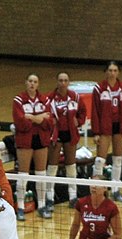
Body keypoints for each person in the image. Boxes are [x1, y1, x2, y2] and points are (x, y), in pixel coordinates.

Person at [91, 61, 122, 203]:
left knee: (118, 159)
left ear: (118, 72)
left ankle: (115, 190)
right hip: (105, 127)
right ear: (106, 72)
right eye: (110, 70)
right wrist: (96, 131)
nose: (112, 73)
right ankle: (96, 190)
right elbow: (95, 111)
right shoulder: (99, 89)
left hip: (119, 126)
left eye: (115, 70)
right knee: (100, 160)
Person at [12, 73, 53, 220]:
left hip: (41, 140)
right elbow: (20, 123)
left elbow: (50, 122)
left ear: (38, 84)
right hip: (25, 140)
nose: (32, 84)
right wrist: (40, 117)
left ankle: (41, 205)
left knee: (41, 174)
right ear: (26, 83)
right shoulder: (18, 100)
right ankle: (21, 207)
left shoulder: (45, 100)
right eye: (30, 81)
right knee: (23, 175)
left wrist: (31, 117)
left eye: (35, 81)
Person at [46, 71, 87, 208]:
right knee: (52, 166)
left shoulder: (75, 97)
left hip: (70, 134)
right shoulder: (50, 98)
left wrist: (79, 121)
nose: (63, 83)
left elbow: (83, 112)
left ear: (68, 82)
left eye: (65, 80)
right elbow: (46, 115)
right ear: (57, 82)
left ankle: (73, 197)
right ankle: (49, 198)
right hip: (56, 135)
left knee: (71, 165)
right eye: (60, 80)